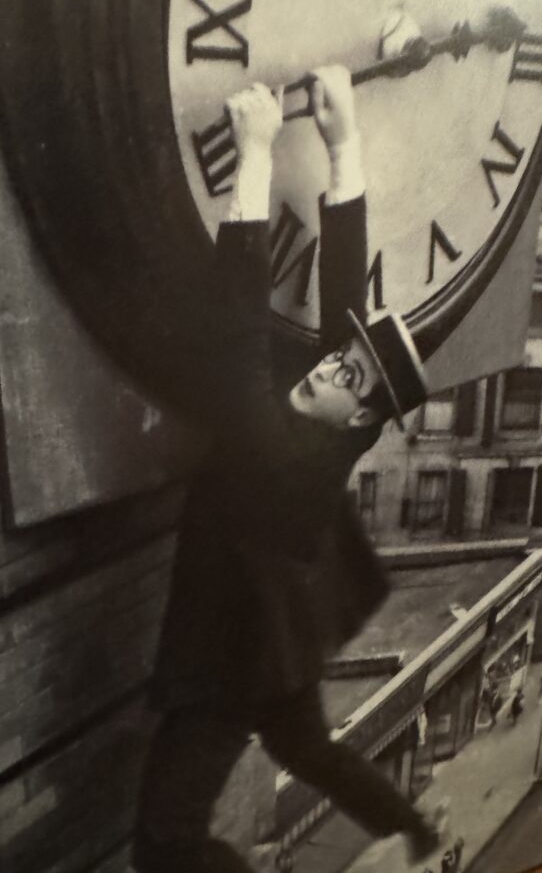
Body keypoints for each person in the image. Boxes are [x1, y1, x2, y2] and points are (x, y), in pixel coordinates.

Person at [132, 70, 448, 872]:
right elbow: (346, 314)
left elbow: (239, 336)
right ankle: (413, 827)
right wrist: (345, 147)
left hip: (228, 663)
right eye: (344, 361)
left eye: (350, 381)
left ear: (364, 419)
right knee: (308, 750)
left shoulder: (279, 452)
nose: (328, 371)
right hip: (279, 636)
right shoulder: (336, 423)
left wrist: (255, 156)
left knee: (164, 847)